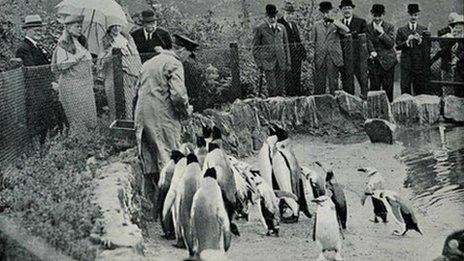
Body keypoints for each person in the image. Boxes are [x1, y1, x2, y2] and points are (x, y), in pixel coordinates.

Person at [134, 34, 194, 219]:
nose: (187, 59)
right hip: (162, 116)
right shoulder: (174, 63)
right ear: (182, 50)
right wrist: (186, 113)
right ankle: (170, 213)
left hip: (142, 116)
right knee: (169, 160)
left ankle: (153, 209)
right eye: (188, 55)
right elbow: (177, 95)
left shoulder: (149, 62)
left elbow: (137, 90)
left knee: (150, 160)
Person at [16, 15, 66, 144]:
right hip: (35, 93)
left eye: (40, 29)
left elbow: (45, 68)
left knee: (46, 121)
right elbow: (33, 71)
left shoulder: (37, 47)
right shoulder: (24, 48)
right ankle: (37, 150)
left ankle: (44, 147)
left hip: (43, 92)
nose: (39, 32)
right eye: (35, 29)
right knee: (37, 122)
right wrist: (50, 84)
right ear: (27, 30)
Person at [51, 15, 97, 134]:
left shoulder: (81, 42)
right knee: (78, 117)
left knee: (89, 117)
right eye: (77, 26)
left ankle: (89, 142)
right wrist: (77, 57)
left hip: (85, 85)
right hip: (72, 85)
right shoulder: (63, 44)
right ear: (68, 28)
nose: (80, 29)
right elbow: (61, 66)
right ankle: (79, 143)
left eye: (81, 26)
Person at [97, 21, 142, 120]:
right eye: (113, 25)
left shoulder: (128, 39)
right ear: (109, 27)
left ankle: (129, 125)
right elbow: (100, 62)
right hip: (111, 75)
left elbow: (136, 57)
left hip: (128, 74)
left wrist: (127, 54)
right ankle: (116, 127)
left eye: (118, 25)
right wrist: (111, 52)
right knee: (114, 102)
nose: (116, 28)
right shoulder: (105, 41)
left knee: (128, 103)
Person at [309, 1, 350, 95]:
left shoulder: (336, 24)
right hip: (320, 58)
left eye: (328, 12)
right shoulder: (316, 25)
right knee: (319, 85)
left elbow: (347, 30)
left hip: (333, 58)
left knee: (333, 84)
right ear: (322, 13)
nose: (326, 14)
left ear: (331, 12)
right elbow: (312, 43)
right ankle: (319, 106)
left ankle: (334, 105)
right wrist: (312, 57)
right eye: (324, 12)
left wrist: (335, 22)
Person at [252, 4, 291, 97]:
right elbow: (255, 47)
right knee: (272, 87)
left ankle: (281, 109)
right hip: (268, 62)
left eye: (274, 16)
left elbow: (286, 46)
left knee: (281, 88)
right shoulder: (260, 28)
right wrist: (259, 63)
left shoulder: (282, 28)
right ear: (267, 16)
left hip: (280, 61)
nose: (273, 18)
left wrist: (288, 62)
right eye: (270, 16)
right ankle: (272, 108)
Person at [395, 4, 429, 96]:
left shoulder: (423, 29)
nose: (413, 17)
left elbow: (427, 47)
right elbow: (397, 46)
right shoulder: (401, 30)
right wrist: (407, 41)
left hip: (418, 64)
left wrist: (420, 40)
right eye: (411, 15)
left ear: (418, 15)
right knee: (405, 87)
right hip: (406, 64)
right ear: (408, 15)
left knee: (419, 88)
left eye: (416, 15)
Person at [366, 4, 397, 102]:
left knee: (388, 89)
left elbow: (391, 43)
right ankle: (374, 113)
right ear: (371, 14)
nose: (377, 18)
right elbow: (367, 41)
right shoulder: (367, 27)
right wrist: (372, 51)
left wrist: (382, 33)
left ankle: (389, 113)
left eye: (379, 16)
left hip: (388, 63)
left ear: (383, 15)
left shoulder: (389, 27)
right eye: (375, 16)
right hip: (374, 63)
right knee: (374, 89)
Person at [338, 0, 369, 98]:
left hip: (358, 58)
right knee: (347, 84)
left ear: (352, 9)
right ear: (341, 10)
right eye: (344, 8)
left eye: (349, 8)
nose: (347, 10)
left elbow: (366, 39)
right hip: (344, 59)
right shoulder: (339, 24)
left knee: (363, 82)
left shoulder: (361, 22)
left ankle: (365, 100)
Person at [277, 1, 307, 96]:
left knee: (297, 77)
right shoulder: (280, 24)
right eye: (288, 13)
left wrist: (303, 51)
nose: (290, 16)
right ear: (284, 13)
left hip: (297, 56)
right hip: (287, 56)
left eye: (292, 14)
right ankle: (291, 98)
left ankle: (297, 98)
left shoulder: (293, 24)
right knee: (288, 79)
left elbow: (298, 39)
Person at [437, 12, 459, 88]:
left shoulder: (460, 31)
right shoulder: (442, 31)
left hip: (458, 62)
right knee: (445, 84)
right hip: (446, 60)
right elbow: (442, 46)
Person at [450, 15, 464, 96]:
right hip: (458, 67)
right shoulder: (457, 38)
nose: (456, 27)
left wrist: (458, 58)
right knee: (457, 86)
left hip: (461, 64)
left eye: (458, 24)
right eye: (455, 25)